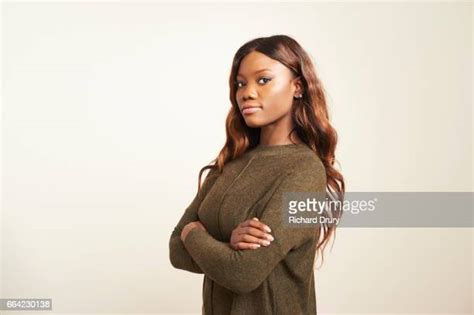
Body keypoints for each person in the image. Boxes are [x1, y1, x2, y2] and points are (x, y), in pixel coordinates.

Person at [169, 34, 345, 315]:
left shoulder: (303, 170)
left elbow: (243, 273)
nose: (247, 93)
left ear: (297, 87)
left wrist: (194, 232)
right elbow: (176, 251)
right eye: (241, 83)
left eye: (263, 80)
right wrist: (228, 244)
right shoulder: (230, 162)